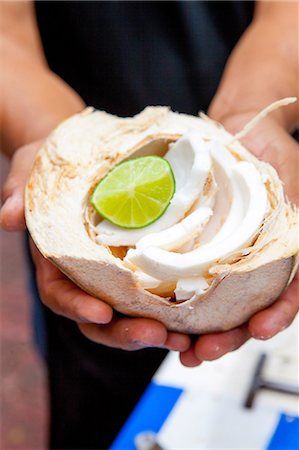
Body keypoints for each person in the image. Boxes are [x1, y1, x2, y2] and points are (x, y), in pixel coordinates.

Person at [1, 1, 298, 449]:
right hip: (86, 130)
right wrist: (46, 135)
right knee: (103, 401)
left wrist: (260, 108)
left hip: (245, 110)